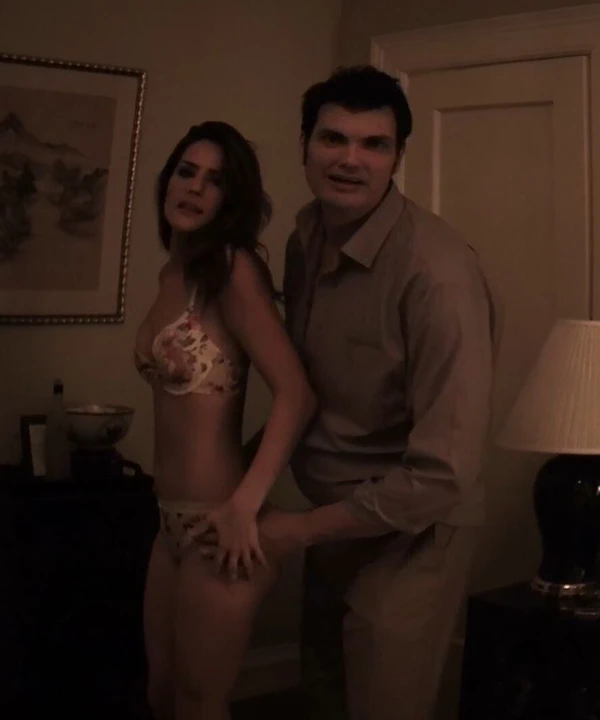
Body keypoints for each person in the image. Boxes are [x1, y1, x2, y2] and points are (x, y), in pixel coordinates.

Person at [251, 65, 499, 720]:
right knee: (322, 697)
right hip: (334, 516)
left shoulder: (436, 274)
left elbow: (443, 472)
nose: (350, 160)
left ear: (397, 157)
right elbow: (305, 391)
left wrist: (296, 531)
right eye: (333, 138)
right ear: (304, 145)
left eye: (374, 144)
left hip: (414, 533)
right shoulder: (304, 239)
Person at [136, 120, 317, 720]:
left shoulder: (232, 270)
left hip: (221, 523)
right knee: (162, 694)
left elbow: (297, 394)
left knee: (199, 703)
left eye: (214, 181)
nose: (194, 187)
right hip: (168, 522)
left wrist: (245, 505)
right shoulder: (172, 274)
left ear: (230, 200)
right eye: (186, 171)